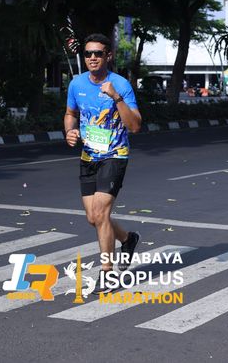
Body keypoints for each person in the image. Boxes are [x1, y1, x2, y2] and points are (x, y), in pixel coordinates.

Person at [64, 33, 142, 294]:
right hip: (89, 156)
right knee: (93, 218)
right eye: (88, 54)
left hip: (114, 155)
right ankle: (127, 239)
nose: (93, 58)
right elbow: (70, 113)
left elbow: (135, 126)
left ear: (108, 56)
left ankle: (107, 274)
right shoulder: (76, 84)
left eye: (98, 53)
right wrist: (70, 131)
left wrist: (116, 97)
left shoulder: (121, 84)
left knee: (100, 213)